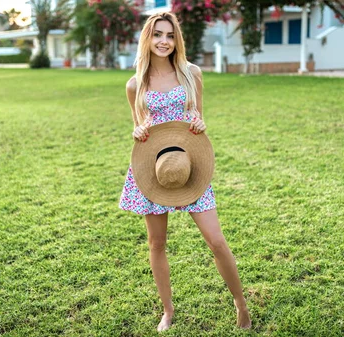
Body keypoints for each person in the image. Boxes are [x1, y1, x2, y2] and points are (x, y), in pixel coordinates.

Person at [118, 12, 251, 332]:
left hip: (189, 165)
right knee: (156, 244)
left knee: (217, 241)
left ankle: (241, 305)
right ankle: (167, 310)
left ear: (177, 39)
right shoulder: (135, 84)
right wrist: (136, 132)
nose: (163, 41)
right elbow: (139, 129)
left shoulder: (191, 73)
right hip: (154, 169)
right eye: (157, 34)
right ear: (147, 39)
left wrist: (201, 123)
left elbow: (198, 121)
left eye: (169, 35)